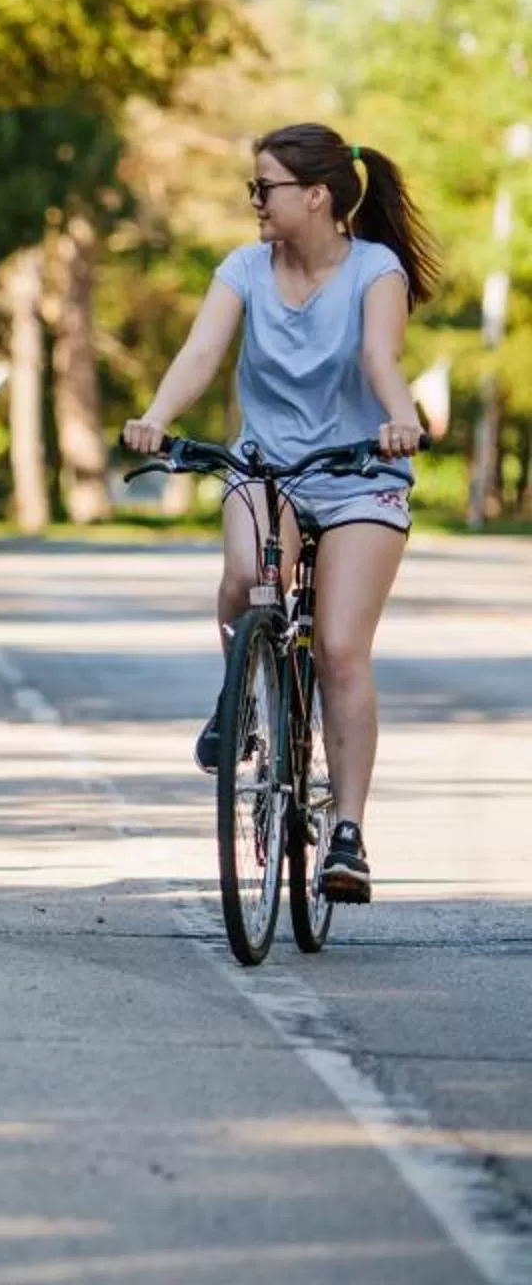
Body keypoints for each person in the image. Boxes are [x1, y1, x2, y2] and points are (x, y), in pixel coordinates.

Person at [121, 122, 437, 905]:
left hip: (359, 472)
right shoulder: (243, 269)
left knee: (337, 647)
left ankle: (349, 834)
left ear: (317, 196)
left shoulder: (376, 268)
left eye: (265, 188)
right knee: (242, 578)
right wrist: (157, 416)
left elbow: (378, 358)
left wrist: (399, 421)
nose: (254, 201)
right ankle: (243, 698)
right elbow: (201, 353)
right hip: (267, 468)